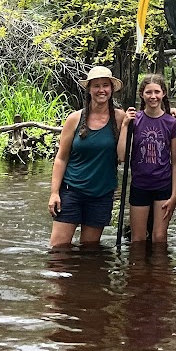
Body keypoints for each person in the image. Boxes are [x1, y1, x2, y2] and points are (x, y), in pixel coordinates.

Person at [48, 66, 125, 247]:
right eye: (96, 86)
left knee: (89, 253)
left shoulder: (121, 118)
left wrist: (171, 113)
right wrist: (54, 193)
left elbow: (148, 120)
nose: (101, 90)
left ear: (111, 89)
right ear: (89, 89)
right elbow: (61, 158)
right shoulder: (74, 119)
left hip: (101, 194)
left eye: (105, 85)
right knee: (58, 250)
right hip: (71, 190)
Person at [117, 74, 176, 244]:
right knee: (137, 239)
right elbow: (122, 156)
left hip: (163, 185)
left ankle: (159, 271)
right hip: (140, 184)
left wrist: (174, 195)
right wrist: (124, 126)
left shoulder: (171, 123)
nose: (153, 96)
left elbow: (175, 161)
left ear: (164, 93)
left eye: (157, 92)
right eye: (148, 92)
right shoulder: (134, 120)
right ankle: (138, 271)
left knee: (159, 238)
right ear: (141, 94)